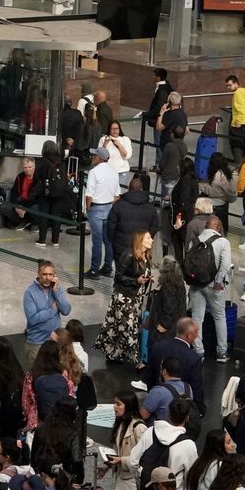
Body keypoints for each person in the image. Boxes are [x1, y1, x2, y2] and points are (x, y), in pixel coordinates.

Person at [97, 231, 154, 368]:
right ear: (140, 240)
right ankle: (135, 360)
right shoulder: (128, 255)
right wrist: (136, 280)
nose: (151, 240)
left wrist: (146, 280)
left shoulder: (146, 257)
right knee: (129, 328)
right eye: (148, 237)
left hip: (136, 297)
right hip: (125, 297)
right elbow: (118, 277)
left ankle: (114, 353)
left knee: (121, 326)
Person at [187, 216, 234, 363]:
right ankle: (221, 352)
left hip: (196, 284)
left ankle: (198, 351)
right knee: (219, 317)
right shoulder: (223, 242)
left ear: (206, 226)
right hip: (214, 286)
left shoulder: (194, 241)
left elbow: (188, 263)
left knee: (197, 318)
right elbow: (225, 264)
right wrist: (218, 281)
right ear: (219, 228)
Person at [128, 398, 198, 485]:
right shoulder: (189, 445)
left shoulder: (150, 431)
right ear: (187, 418)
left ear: (168, 414)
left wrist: (142, 481)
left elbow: (133, 462)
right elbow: (192, 477)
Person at [22, 261, 71, 364]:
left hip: (55, 342)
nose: (47, 277)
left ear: (54, 275)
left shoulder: (57, 289)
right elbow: (32, 319)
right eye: (44, 274)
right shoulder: (30, 293)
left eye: (50, 274)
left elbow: (66, 310)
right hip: (37, 343)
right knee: (35, 376)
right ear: (38, 274)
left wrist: (56, 292)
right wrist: (52, 311)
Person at [86, 147, 122, 278]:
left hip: (96, 209)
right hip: (109, 208)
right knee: (108, 241)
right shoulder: (114, 172)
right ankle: (107, 267)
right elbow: (117, 195)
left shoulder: (93, 172)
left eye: (95, 155)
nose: (93, 157)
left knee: (97, 241)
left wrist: (89, 210)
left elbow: (89, 195)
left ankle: (94, 269)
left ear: (99, 158)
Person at [110, 390, 150, 490]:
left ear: (128, 405)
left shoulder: (139, 427)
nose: (114, 406)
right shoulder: (120, 423)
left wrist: (122, 460)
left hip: (133, 481)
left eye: (118, 404)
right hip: (121, 477)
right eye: (114, 403)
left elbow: (144, 457)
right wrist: (108, 466)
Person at [230, 75, 245, 162]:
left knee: (236, 145)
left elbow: (241, 108)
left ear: (236, 83)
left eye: (230, 85)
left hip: (241, 124)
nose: (228, 87)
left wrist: (238, 121)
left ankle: (239, 166)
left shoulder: (238, 93)